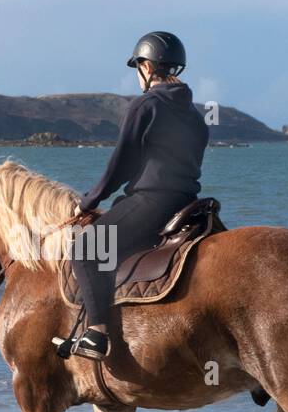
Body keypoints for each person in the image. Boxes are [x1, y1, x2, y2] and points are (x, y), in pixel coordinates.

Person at [69, 31, 209, 360]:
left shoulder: (144, 105)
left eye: (138, 67)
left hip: (153, 202)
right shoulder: (196, 116)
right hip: (190, 206)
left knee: (86, 249)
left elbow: (121, 163)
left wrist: (89, 200)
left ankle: (97, 334)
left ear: (146, 66)